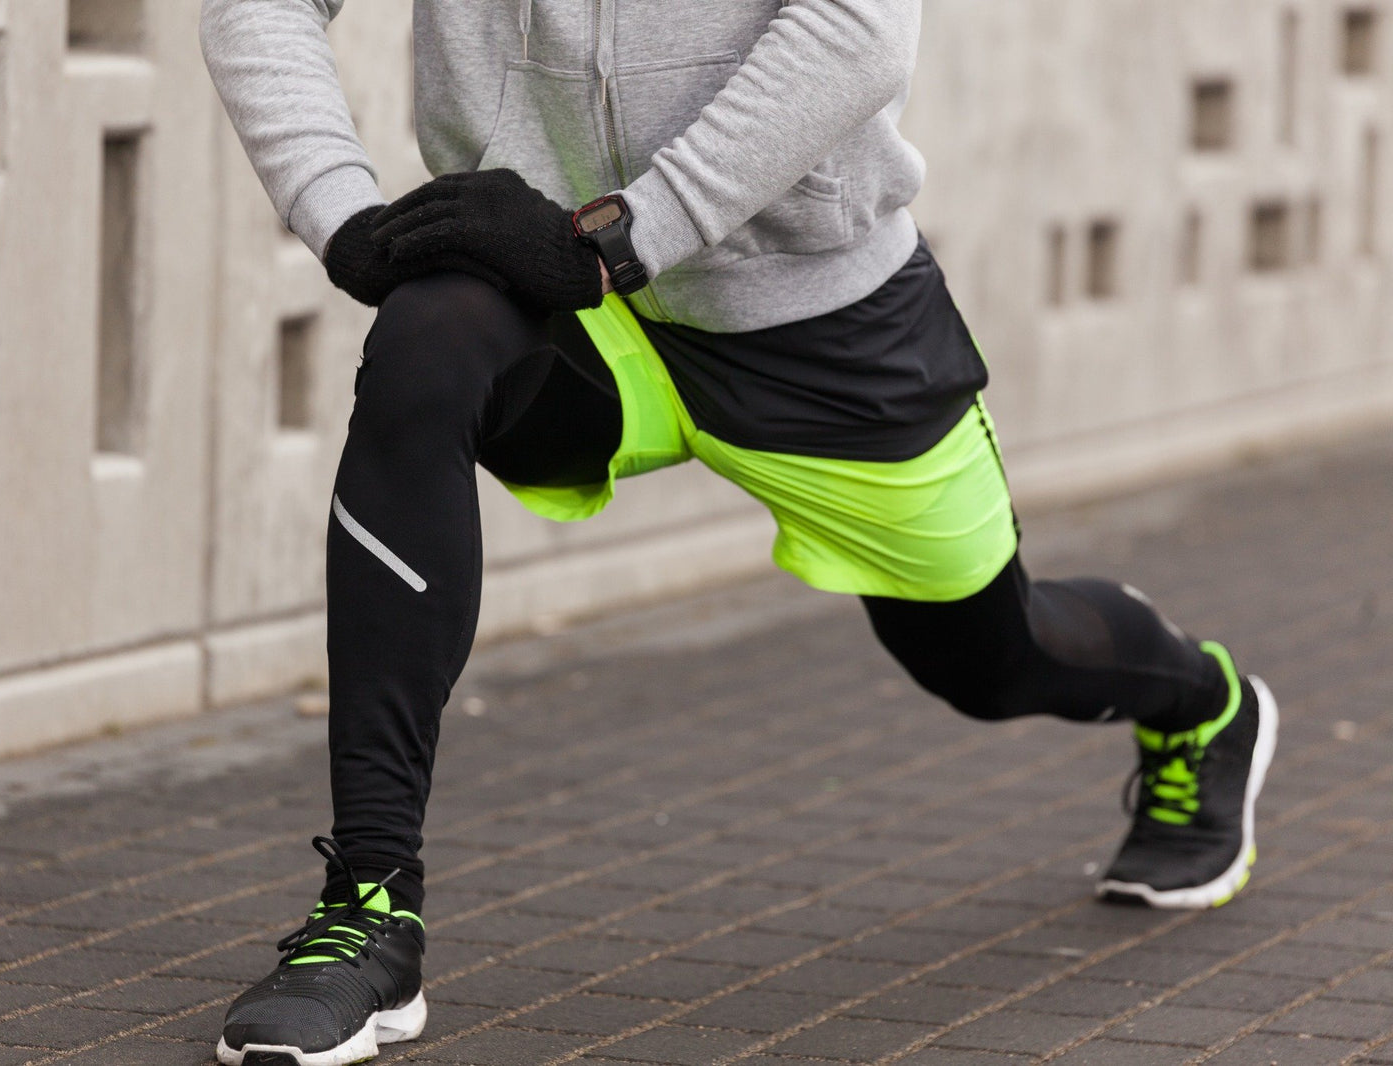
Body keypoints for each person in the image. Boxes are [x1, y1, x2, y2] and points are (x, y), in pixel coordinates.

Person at [200, 2, 1279, 1063]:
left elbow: (856, 27)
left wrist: (624, 236)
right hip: (552, 291)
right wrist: (342, 217)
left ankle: (1201, 702)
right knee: (427, 343)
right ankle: (372, 909)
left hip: (810, 312)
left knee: (990, 658)